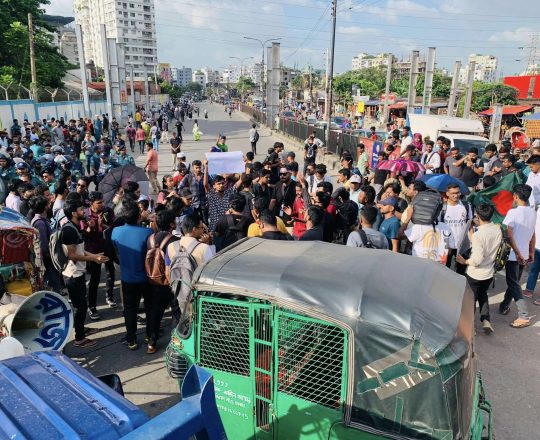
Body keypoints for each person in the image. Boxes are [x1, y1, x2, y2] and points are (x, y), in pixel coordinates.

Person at [61, 197, 109, 348]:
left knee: (81, 304)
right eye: (81, 210)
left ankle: (81, 329)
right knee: (80, 307)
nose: (84, 211)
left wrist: (94, 256)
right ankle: (79, 339)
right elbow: (72, 255)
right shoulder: (69, 229)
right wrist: (93, 260)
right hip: (73, 274)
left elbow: (80, 248)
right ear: (74, 213)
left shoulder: (75, 226)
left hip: (78, 272)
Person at [111, 201, 153, 350]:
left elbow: (115, 251)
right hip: (145, 277)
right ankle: (150, 335)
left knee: (130, 309)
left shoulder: (115, 232)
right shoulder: (147, 232)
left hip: (127, 277)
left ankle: (131, 339)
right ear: (138, 216)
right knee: (149, 307)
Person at [456, 203, 501, 334]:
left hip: (475, 274)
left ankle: (471, 327)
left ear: (478, 216)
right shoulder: (497, 229)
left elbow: (477, 259)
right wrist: (473, 238)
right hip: (489, 272)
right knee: (483, 294)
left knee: (471, 299)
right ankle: (486, 320)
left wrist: (464, 261)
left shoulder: (478, 235)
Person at [500, 184, 535, 328]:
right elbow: (533, 235)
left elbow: (509, 237)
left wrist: (519, 254)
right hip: (524, 254)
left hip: (514, 256)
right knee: (514, 282)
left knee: (513, 284)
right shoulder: (533, 212)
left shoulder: (513, 213)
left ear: (515, 196)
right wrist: (530, 252)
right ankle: (504, 305)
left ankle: (524, 316)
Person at [145, 209, 178, 354]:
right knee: (176, 312)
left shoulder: (150, 239)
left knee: (156, 311)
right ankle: (176, 343)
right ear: (172, 224)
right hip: (170, 282)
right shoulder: (175, 241)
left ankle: (151, 342)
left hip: (154, 280)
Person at [81, 191, 116, 320]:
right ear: (91, 203)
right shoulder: (85, 214)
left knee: (110, 273)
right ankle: (92, 307)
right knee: (94, 280)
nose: (102, 204)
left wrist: (103, 224)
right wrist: (90, 228)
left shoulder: (108, 211)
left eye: (102, 201)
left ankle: (110, 296)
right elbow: (83, 234)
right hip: (93, 252)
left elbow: (113, 228)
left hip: (107, 248)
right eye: (99, 202)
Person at [441, 184, 472, 275]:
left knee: (461, 271)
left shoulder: (466, 206)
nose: (456, 195)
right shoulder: (442, 208)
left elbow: (469, 225)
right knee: (445, 269)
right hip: (447, 245)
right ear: (447, 193)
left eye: (457, 192)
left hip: (462, 245)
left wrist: (472, 240)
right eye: (453, 193)